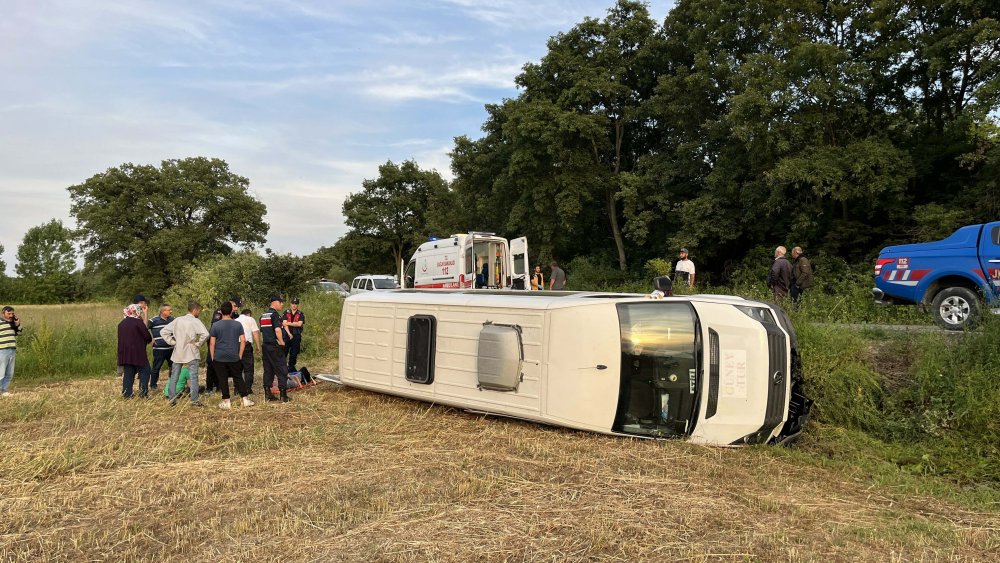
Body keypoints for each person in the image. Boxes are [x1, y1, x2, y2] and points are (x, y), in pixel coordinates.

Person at [160, 300, 210, 407]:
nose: (199, 313)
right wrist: (198, 343)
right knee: (193, 377)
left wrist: (173, 342)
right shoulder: (195, 321)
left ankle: (172, 399)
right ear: (195, 310)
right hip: (191, 350)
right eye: (199, 311)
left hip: (178, 351)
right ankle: (194, 400)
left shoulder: (178, 320)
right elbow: (205, 334)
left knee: (174, 377)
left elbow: (163, 332)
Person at [209, 302, 253, 409]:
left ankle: (226, 401)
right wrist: (240, 355)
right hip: (234, 356)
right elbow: (243, 341)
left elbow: (212, 343)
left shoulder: (215, 325)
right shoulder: (237, 324)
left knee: (222, 378)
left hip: (219, 356)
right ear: (231, 311)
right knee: (238, 377)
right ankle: (245, 399)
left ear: (221, 311)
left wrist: (212, 356)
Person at [205, 295, 241, 393]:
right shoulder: (219, 311)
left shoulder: (235, 315)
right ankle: (209, 387)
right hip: (215, 341)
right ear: (230, 304)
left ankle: (219, 386)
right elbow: (216, 326)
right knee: (212, 363)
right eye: (235, 306)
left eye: (237, 307)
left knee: (223, 365)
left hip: (227, 343)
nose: (236, 308)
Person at [259, 295, 291, 402]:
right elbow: (277, 330)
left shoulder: (263, 316)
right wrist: (282, 343)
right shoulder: (275, 315)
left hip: (266, 347)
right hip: (275, 347)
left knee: (268, 369)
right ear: (275, 302)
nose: (282, 304)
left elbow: (262, 333)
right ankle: (283, 395)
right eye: (281, 302)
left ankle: (268, 394)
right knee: (282, 368)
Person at [118, 304, 152, 398]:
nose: (140, 312)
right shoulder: (137, 322)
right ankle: (143, 393)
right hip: (138, 352)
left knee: (129, 373)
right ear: (134, 311)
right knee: (146, 371)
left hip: (125, 353)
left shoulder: (121, 323)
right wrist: (149, 340)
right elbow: (146, 335)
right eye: (139, 310)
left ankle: (127, 394)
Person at [147, 304, 174, 390]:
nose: (171, 311)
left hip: (171, 348)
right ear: (163, 312)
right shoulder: (153, 320)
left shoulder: (172, 320)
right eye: (169, 310)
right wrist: (150, 339)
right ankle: (153, 385)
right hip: (159, 349)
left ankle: (172, 383)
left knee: (173, 367)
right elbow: (144, 329)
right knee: (156, 367)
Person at [236, 308, 262, 394]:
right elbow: (255, 333)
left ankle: (237, 389)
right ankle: (247, 389)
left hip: (236, 345)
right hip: (246, 345)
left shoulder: (235, 320)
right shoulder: (250, 319)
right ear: (249, 314)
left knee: (237, 368)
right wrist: (258, 346)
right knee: (248, 368)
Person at [0, 306, 22, 397]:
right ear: (3, 313)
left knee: (9, 373)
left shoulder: (12, 323)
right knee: (1, 372)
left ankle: (3, 390)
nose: (11, 315)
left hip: (12, 349)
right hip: (2, 350)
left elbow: (19, 333)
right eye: (9, 314)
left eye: (12, 313)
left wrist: (18, 324)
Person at [283, 298, 306, 373]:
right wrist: (289, 333)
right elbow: (284, 324)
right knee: (284, 351)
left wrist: (288, 323)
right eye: (293, 303)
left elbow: (299, 324)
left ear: (297, 305)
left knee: (294, 353)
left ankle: (291, 367)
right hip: (287, 335)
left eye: (295, 304)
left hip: (296, 335)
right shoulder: (286, 312)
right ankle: (283, 367)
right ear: (290, 304)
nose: (294, 305)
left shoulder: (300, 313)